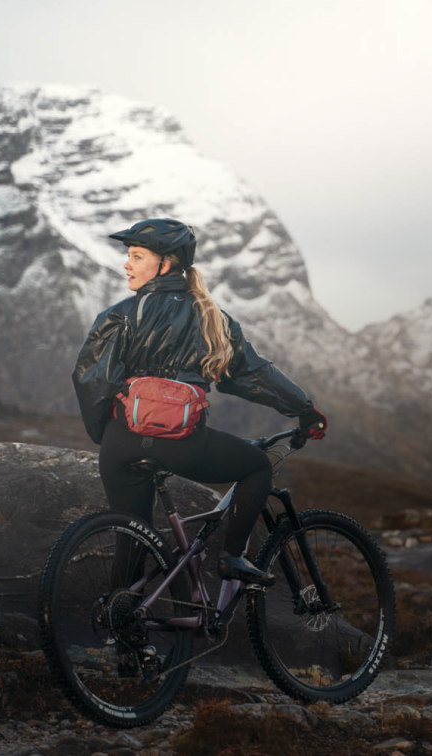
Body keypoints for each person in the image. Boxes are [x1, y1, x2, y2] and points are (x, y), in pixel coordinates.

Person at [72, 218, 326, 587]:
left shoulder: (118, 316)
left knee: (133, 538)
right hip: (182, 445)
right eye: (129, 255)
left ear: (166, 262)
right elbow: (251, 374)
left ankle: (118, 625)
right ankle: (232, 557)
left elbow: (90, 378)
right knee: (257, 467)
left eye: (137, 255)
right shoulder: (212, 319)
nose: (127, 263)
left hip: (120, 444)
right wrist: (304, 410)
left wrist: (107, 435)